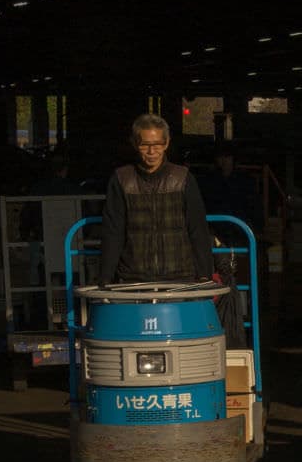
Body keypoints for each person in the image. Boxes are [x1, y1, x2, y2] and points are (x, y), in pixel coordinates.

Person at [101, 115, 243, 347]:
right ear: (135, 144)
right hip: (133, 279)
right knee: (137, 345)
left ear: (166, 144)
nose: (151, 151)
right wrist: (105, 278)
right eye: (145, 144)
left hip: (181, 278)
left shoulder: (183, 178)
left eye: (157, 144)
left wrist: (205, 275)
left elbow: (197, 228)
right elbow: (113, 230)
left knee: (180, 344)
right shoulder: (120, 179)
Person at [199, 142, 264, 233]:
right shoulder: (208, 182)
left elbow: (254, 207)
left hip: (240, 230)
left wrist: (254, 228)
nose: (224, 161)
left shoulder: (245, 181)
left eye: (227, 157)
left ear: (233, 159)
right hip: (215, 230)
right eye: (220, 157)